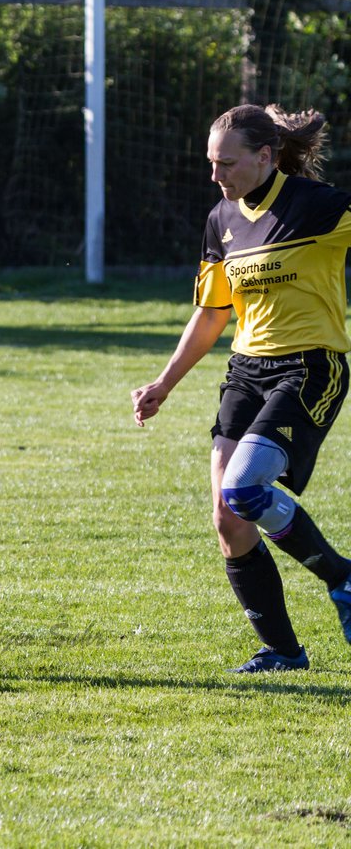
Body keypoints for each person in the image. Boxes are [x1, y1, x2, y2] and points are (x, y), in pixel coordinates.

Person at [131, 103, 351, 673]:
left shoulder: (318, 206)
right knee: (229, 521)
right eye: (210, 163)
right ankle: (284, 652)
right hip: (246, 373)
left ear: (265, 156)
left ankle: (343, 578)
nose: (215, 175)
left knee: (244, 489)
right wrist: (165, 382)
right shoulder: (221, 219)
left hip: (309, 367)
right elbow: (210, 315)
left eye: (226, 163)